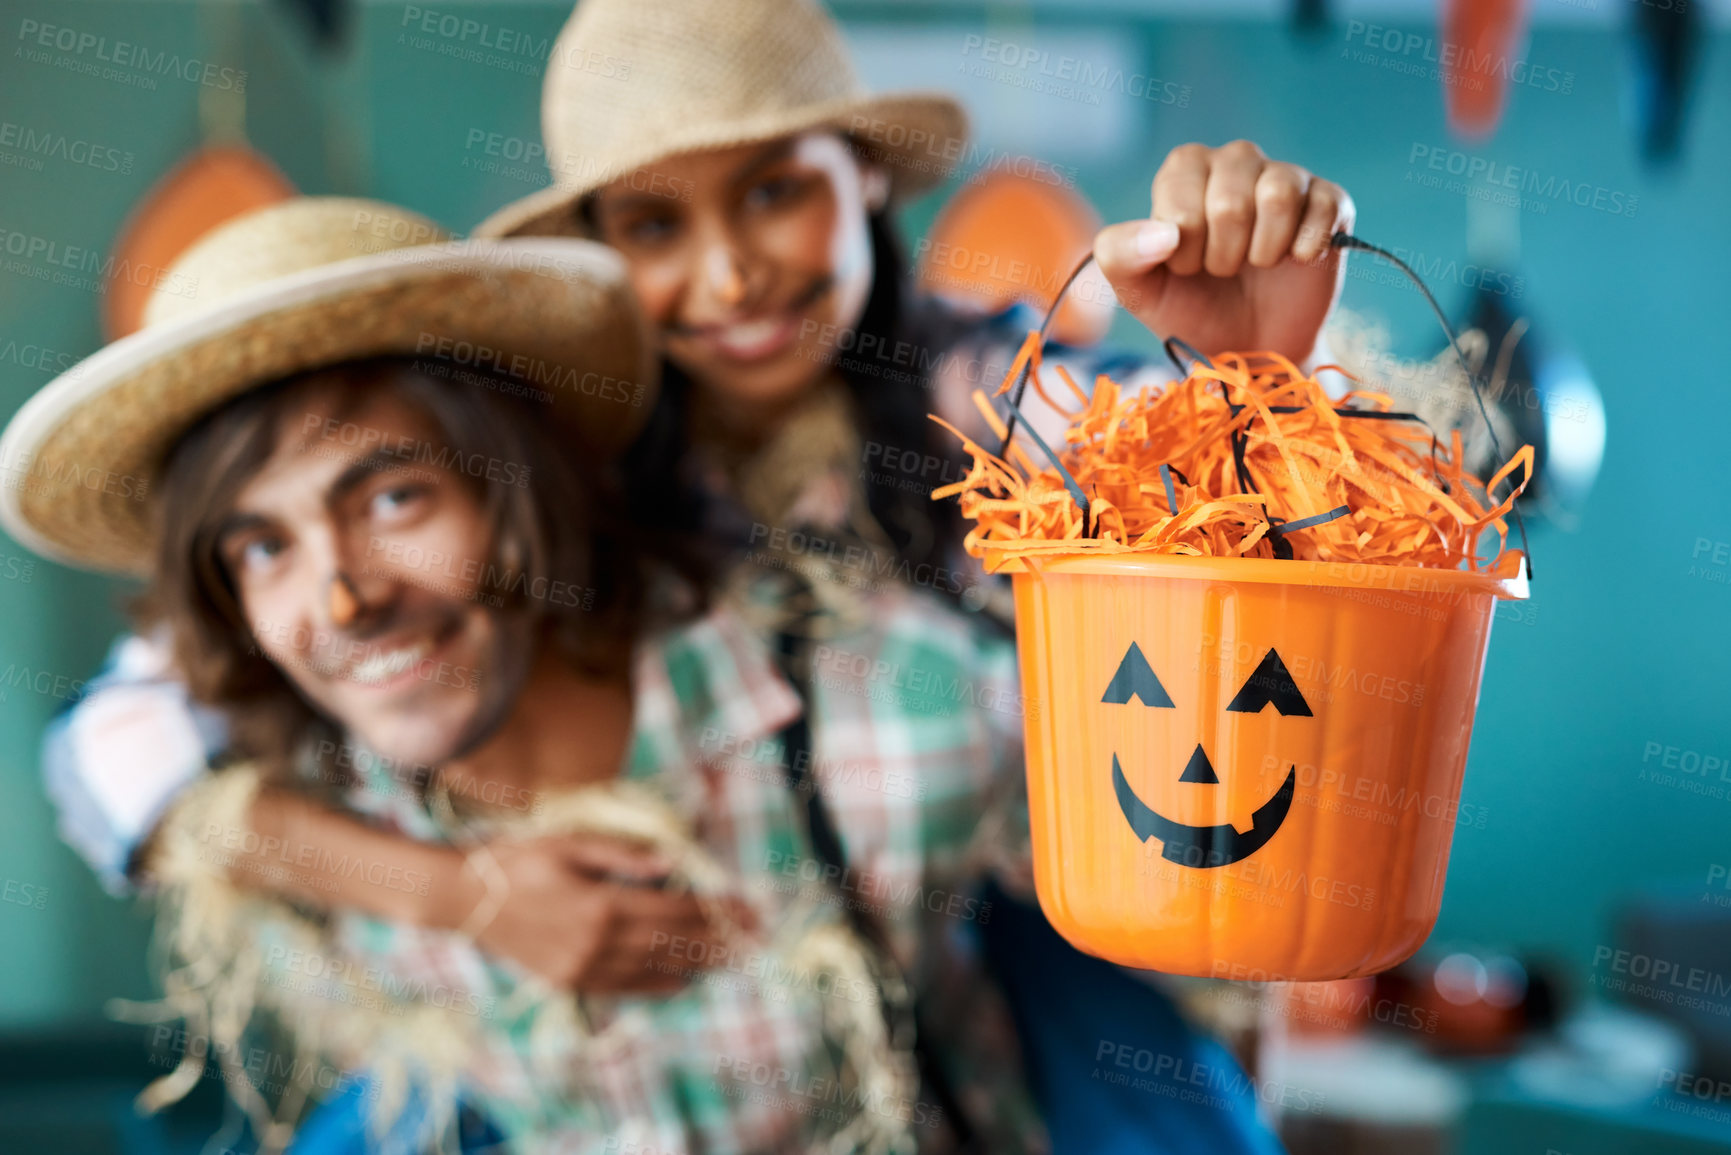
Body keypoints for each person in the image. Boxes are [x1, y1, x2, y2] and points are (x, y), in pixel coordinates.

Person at [42, 0, 1352, 1149]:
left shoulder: (967, 387)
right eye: (654, 223)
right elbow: (119, 738)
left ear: (864, 186)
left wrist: (1251, 379)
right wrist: (462, 892)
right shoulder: (578, 449)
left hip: (974, 901)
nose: (726, 274)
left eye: (775, 190)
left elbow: (1183, 481)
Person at [6, 197, 1034, 1154]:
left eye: (397, 499)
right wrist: (462, 894)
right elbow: (102, 761)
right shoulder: (320, 851)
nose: (342, 601)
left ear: (520, 487)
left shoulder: (891, 709)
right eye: (264, 548)